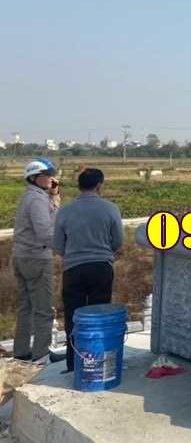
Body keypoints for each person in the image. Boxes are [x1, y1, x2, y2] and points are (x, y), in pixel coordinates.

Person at [53, 167, 124, 373]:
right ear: (99, 185)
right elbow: (118, 240)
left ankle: (73, 364)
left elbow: (57, 245)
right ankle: (96, 364)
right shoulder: (110, 208)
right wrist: (104, 251)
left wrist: (72, 255)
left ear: (79, 185)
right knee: (98, 317)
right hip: (101, 268)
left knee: (73, 317)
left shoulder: (65, 211)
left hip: (73, 269)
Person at [12, 158, 61, 363]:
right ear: (34, 178)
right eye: (47, 175)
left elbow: (51, 219)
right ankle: (41, 354)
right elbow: (46, 232)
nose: (51, 178)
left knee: (26, 307)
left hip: (21, 256)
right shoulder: (38, 199)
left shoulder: (31, 196)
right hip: (36, 258)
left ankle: (21, 351)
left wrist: (54, 195)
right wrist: (63, 249)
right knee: (43, 310)